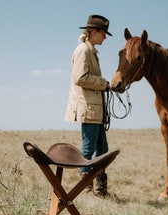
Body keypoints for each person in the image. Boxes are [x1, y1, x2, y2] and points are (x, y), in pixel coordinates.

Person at [65, 14, 112, 197]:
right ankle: (85, 189)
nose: (105, 37)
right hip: (89, 108)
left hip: (95, 109)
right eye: (103, 33)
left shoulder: (90, 50)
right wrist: (103, 83)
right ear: (94, 32)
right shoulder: (83, 50)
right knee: (89, 148)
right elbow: (80, 78)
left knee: (102, 149)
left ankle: (100, 190)